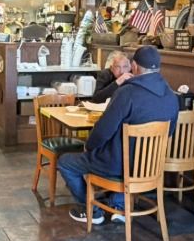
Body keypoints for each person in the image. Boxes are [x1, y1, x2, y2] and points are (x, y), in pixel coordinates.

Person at [60, 44, 179, 224]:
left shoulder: (127, 92)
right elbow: (169, 131)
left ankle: (94, 211)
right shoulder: (172, 96)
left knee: (66, 162)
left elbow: (103, 131)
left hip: (116, 165)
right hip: (149, 167)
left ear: (135, 67)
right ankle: (118, 206)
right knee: (125, 154)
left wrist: (89, 146)